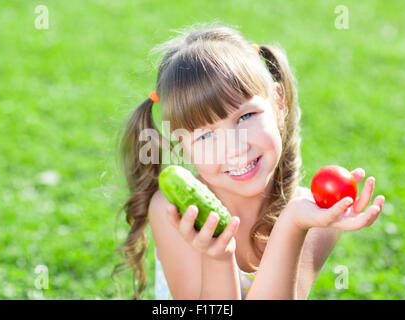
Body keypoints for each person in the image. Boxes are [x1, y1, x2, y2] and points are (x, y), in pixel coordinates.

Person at [112, 22, 385, 300]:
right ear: (182, 147)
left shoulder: (314, 215)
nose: (234, 148)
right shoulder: (175, 210)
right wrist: (218, 259)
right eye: (205, 136)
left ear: (278, 104)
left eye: (245, 117)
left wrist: (292, 223)